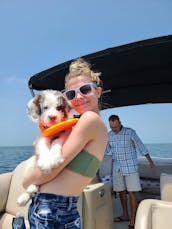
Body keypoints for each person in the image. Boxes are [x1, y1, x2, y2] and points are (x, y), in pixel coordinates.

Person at [22, 58, 107, 229]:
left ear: (98, 91)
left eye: (85, 90)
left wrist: (25, 182)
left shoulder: (89, 120)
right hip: (61, 209)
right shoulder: (92, 124)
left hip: (51, 208)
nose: (78, 97)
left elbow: (52, 168)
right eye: (71, 94)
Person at [105, 114, 156, 229]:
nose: (114, 129)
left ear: (120, 123)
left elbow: (141, 147)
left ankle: (133, 220)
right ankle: (125, 215)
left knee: (132, 193)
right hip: (117, 168)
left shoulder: (130, 132)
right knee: (121, 192)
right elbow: (106, 150)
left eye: (116, 127)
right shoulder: (109, 135)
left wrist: (151, 162)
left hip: (130, 167)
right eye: (112, 127)